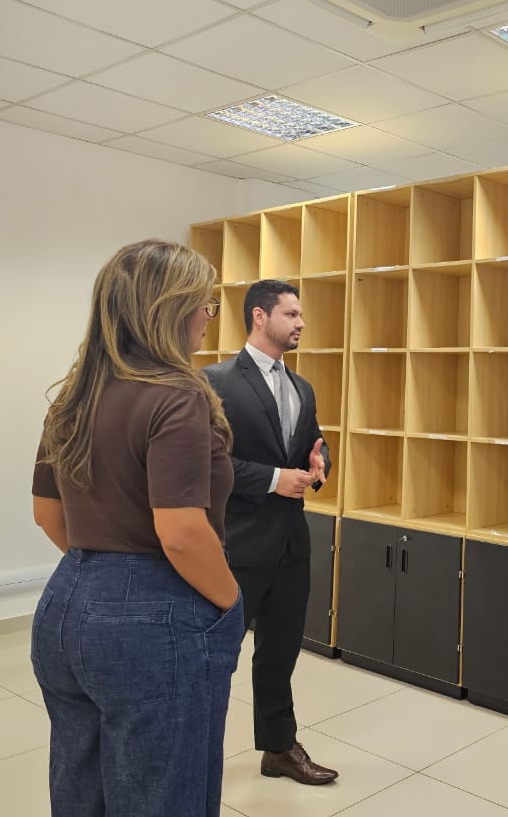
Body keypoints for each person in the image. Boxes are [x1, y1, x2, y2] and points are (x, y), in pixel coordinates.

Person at [30, 239, 245, 817]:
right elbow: (179, 530)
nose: (208, 317)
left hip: (67, 602)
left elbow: (47, 514)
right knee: (162, 791)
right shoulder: (179, 395)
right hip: (155, 616)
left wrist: (104, 571)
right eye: (205, 303)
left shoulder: (71, 398)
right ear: (170, 310)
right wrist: (230, 603)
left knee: (81, 781)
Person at [204, 279, 337, 785]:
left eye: (301, 316)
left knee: (279, 654)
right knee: (216, 658)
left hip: (290, 544)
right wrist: (275, 480)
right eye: (292, 314)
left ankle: (279, 748)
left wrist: (321, 459)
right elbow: (209, 463)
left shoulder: (303, 387)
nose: (301, 323)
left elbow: (312, 442)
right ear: (260, 316)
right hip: (236, 544)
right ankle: (196, 748)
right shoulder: (214, 381)